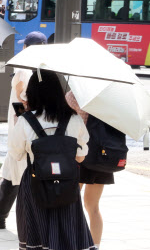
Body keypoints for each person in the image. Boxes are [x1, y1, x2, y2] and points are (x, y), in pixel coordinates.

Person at [10, 71, 95, 250]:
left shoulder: (26, 121)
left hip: (35, 184)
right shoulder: (73, 118)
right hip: (66, 183)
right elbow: (81, 156)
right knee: (69, 232)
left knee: (37, 236)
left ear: (32, 92)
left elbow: (16, 154)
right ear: (58, 91)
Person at [0, 31, 47, 229]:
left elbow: (20, 101)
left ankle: (6, 215)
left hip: (22, 131)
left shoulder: (23, 70)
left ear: (27, 47)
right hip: (31, 129)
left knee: (19, 172)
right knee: (11, 171)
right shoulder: (40, 70)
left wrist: (20, 124)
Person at [65, 91, 112, 250]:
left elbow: (64, 121)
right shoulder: (110, 97)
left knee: (70, 204)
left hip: (79, 154)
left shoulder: (75, 95)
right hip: (102, 155)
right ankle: (95, 246)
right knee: (93, 207)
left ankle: (72, 243)